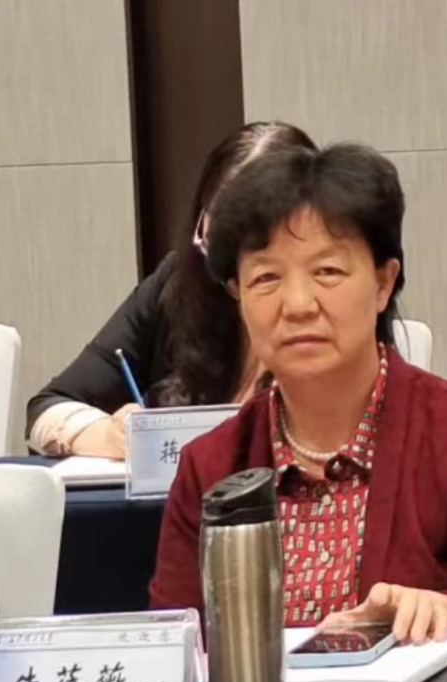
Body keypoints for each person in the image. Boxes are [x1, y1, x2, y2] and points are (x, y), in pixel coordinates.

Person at [149, 142, 447, 649]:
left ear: (384, 283)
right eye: (267, 278)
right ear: (239, 296)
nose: (298, 304)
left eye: (328, 272)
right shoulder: (209, 467)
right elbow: (174, 646)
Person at [26, 122, 316, 459]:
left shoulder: (322, 309)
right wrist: (110, 436)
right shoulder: (179, 283)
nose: (235, 261)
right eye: (220, 232)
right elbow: (47, 408)